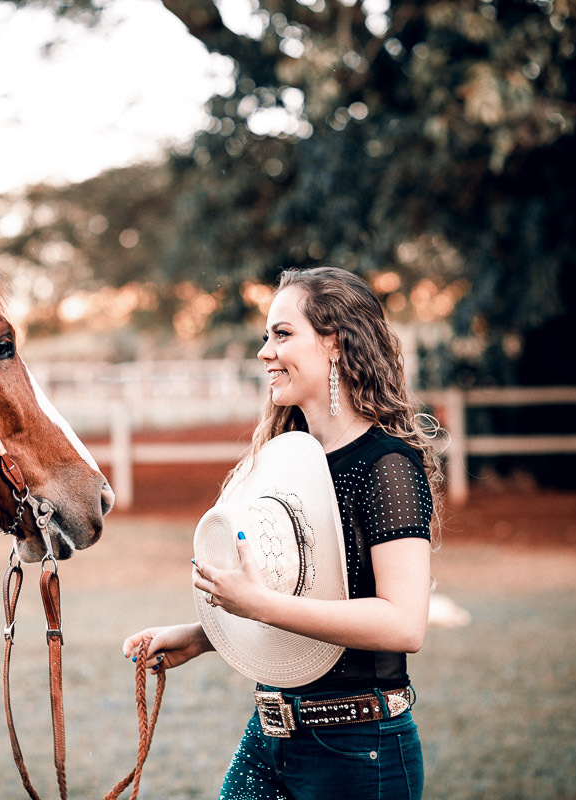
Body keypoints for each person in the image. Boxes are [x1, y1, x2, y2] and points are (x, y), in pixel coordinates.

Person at [122, 266, 440, 800]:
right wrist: (203, 637)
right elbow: (302, 597)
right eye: (266, 336)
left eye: (283, 334)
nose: (265, 351)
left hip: (360, 754)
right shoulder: (285, 463)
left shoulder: (388, 464)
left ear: (336, 342)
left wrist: (258, 606)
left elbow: (403, 624)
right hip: (269, 738)